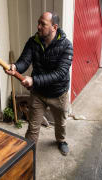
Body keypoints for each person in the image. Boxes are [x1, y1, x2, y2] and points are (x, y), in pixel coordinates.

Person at [5, 12, 73, 156]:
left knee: (60, 124)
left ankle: (61, 140)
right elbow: (25, 60)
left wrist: (34, 80)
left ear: (54, 27)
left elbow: (60, 73)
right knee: (33, 127)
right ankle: (26, 155)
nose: (38, 26)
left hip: (58, 93)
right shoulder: (33, 41)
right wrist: (16, 67)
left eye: (43, 24)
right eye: (38, 23)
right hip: (38, 93)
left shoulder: (66, 46)